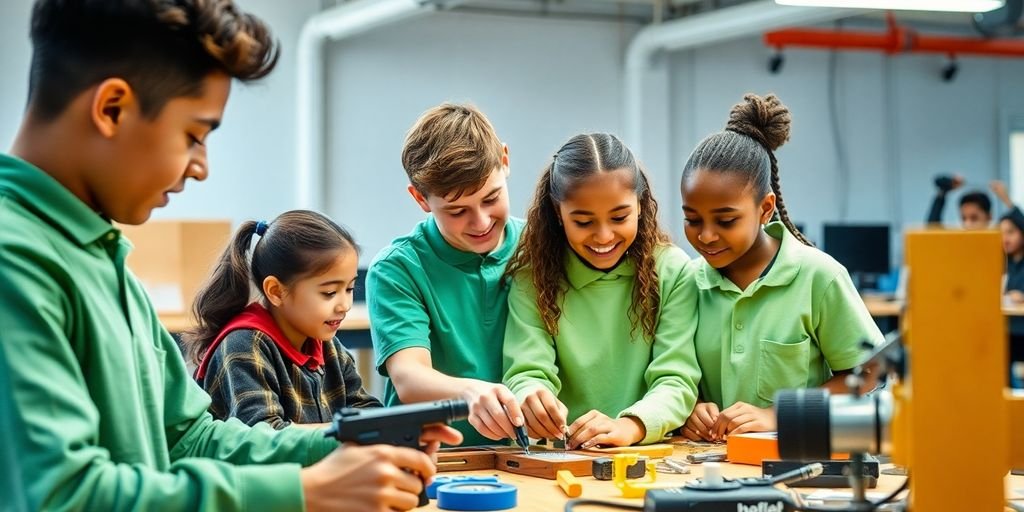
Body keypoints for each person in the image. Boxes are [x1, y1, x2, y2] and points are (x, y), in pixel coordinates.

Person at [0, 2, 457, 510]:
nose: (201, 168)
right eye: (194, 135)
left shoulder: (103, 263)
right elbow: (60, 495)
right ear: (112, 109)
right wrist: (303, 492)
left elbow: (191, 440)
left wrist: (346, 441)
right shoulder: (14, 261)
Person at [678, 94, 882, 441]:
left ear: (765, 208)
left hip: (795, 460)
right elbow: (674, 371)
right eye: (692, 219)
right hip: (705, 463)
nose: (706, 236)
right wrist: (691, 405)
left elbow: (869, 373)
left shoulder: (818, 276)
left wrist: (779, 415)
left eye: (726, 220)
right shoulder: (686, 282)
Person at [502, 133, 700, 449]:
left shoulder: (672, 271)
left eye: (619, 217)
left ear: (640, 204)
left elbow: (676, 379)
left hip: (644, 454)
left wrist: (631, 425)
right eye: (583, 222)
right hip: (559, 456)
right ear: (558, 213)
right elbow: (525, 370)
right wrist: (530, 396)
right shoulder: (532, 277)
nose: (604, 235)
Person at [367, 103, 526, 446]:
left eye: (492, 198)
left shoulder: (540, 247)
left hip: (530, 458)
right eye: (457, 211)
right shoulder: (396, 269)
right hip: (432, 461)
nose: (481, 222)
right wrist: (471, 392)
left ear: (506, 160)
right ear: (420, 199)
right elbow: (409, 378)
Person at [185, 210, 381, 428]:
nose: (345, 305)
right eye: (329, 293)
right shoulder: (243, 346)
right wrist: (350, 430)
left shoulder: (327, 344)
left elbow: (366, 411)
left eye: (350, 288)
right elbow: (266, 435)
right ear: (276, 291)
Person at [926, 173, 992, 229]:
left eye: (974, 218)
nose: (967, 225)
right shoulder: (958, 240)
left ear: (989, 217)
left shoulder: (1000, 239)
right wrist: (945, 189)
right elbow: (932, 227)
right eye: (963, 219)